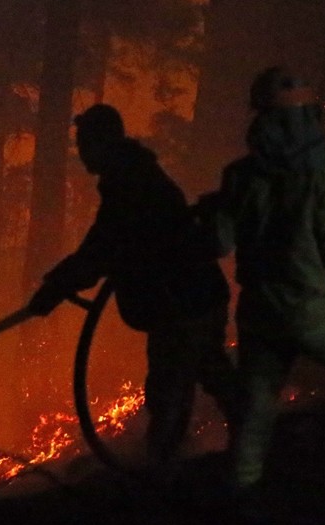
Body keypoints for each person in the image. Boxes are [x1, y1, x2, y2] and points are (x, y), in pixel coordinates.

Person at [203, 68, 325, 504]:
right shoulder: (322, 172)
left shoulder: (238, 175)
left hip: (258, 310)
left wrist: (219, 208)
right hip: (306, 311)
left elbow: (219, 243)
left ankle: (241, 496)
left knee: (256, 410)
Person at [26, 103, 240, 475]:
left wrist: (56, 286)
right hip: (194, 297)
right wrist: (59, 284)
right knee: (207, 370)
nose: (81, 152)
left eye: (85, 143)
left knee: (169, 390)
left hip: (182, 302)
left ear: (103, 142)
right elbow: (105, 246)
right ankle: (249, 437)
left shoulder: (131, 182)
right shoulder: (132, 175)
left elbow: (103, 247)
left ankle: (162, 474)